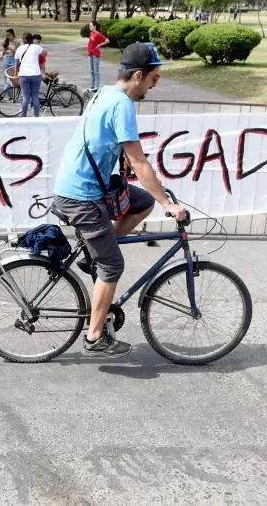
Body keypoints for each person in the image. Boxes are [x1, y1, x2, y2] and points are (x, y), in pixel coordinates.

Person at [51, 42, 187, 357]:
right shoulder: (121, 104)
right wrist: (169, 204)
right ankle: (95, 336)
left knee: (141, 203)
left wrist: (158, 199)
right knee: (112, 264)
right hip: (82, 195)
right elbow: (139, 163)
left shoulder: (104, 93)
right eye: (154, 79)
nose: (154, 86)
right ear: (138, 75)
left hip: (84, 186)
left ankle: (94, 254)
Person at [14, 32, 43, 117]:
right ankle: (36, 116)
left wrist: (16, 75)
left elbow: (16, 64)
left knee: (26, 98)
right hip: (36, 75)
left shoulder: (19, 49)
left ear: (23, 40)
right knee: (35, 96)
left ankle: (24, 117)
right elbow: (44, 54)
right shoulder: (37, 47)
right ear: (32, 39)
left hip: (23, 75)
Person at [87, 21, 110, 92]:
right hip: (90, 54)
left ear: (95, 26)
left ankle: (96, 87)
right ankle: (93, 86)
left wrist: (99, 45)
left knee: (96, 72)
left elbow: (107, 40)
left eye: (91, 26)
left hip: (95, 55)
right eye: (89, 26)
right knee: (91, 71)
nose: (90, 27)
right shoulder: (91, 33)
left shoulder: (97, 34)